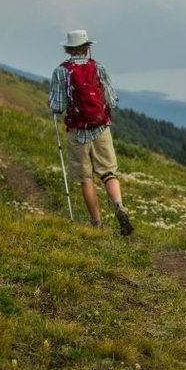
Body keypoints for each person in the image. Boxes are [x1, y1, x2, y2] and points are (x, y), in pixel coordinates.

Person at [49, 29, 134, 236]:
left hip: (77, 131)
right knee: (108, 171)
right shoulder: (99, 68)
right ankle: (119, 206)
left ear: (68, 49)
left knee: (86, 178)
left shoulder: (61, 72)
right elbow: (112, 100)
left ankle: (96, 223)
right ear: (87, 47)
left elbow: (57, 106)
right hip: (100, 128)